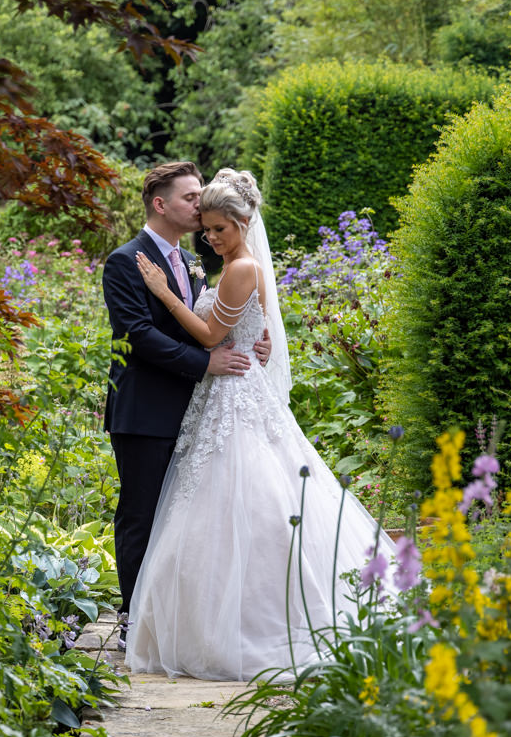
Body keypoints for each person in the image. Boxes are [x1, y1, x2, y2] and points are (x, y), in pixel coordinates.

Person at [125, 168, 394, 682]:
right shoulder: (232, 265)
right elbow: (254, 328)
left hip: (235, 394)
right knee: (214, 508)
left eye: (220, 229)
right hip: (221, 394)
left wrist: (164, 292)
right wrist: (257, 338)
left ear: (245, 222)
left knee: (252, 501)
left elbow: (207, 335)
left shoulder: (242, 267)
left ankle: (254, 625)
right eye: (207, 230)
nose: (211, 237)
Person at [102, 161, 271, 650]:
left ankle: (178, 620)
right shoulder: (125, 261)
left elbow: (221, 319)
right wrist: (206, 364)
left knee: (190, 521)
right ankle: (135, 620)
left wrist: (253, 343)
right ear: (161, 204)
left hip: (202, 410)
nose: (200, 205)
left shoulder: (195, 260)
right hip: (147, 411)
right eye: (191, 198)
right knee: (142, 515)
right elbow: (139, 336)